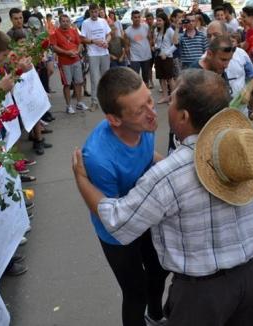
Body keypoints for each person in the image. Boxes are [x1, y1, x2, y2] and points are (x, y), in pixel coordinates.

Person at [72, 68, 253, 326]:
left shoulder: (167, 177)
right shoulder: (242, 151)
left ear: (184, 116)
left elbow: (118, 221)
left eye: (169, 99)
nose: (155, 111)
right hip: (252, 276)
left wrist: (81, 179)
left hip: (202, 294)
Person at [76, 68, 168, 326]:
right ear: (115, 120)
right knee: (135, 293)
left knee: (160, 269)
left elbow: (149, 157)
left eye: (150, 99)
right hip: (117, 230)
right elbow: (113, 217)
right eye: (140, 110)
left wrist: (175, 171)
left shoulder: (143, 124)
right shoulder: (98, 158)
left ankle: (156, 315)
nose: (152, 113)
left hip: (144, 211)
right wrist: (81, 179)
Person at [50, 14, 88, 115]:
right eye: (63, 21)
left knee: (79, 82)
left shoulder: (73, 31)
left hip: (76, 60)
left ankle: (79, 103)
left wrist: (77, 51)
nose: (66, 23)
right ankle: (68, 106)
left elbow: (79, 43)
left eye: (67, 21)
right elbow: (54, 47)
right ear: (60, 22)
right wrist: (67, 53)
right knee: (67, 84)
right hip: (64, 62)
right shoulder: (55, 33)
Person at [80, 3, 111, 112]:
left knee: (106, 78)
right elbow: (82, 39)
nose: (94, 14)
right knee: (94, 79)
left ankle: (107, 101)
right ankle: (94, 102)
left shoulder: (103, 21)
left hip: (104, 52)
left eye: (96, 11)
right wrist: (93, 41)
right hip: (93, 54)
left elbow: (109, 34)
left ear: (98, 11)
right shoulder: (85, 23)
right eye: (92, 12)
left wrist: (106, 42)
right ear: (89, 12)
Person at [154, 12, 177, 104]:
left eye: (160, 20)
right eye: (157, 20)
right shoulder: (156, 30)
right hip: (158, 57)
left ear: (164, 21)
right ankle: (165, 97)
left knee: (170, 79)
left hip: (167, 58)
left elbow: (175, 45)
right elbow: (157, 43)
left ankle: (174, 99)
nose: (158, 22)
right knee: (161, 78)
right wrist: (155, 47)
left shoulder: (170, 31)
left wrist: (166, 53)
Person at [125, 10, 152, 84]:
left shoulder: (146, 27)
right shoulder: (128, 31)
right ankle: (137, 94)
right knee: (135, 78)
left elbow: (150, 39)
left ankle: (146, 93)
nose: (137, 19)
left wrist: (149, 50)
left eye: (138, 17)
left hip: (146, 56)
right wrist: (129, 58)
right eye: (135, 17)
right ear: (131, 18)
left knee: (145, 77)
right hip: (135, 58)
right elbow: (126, 46)